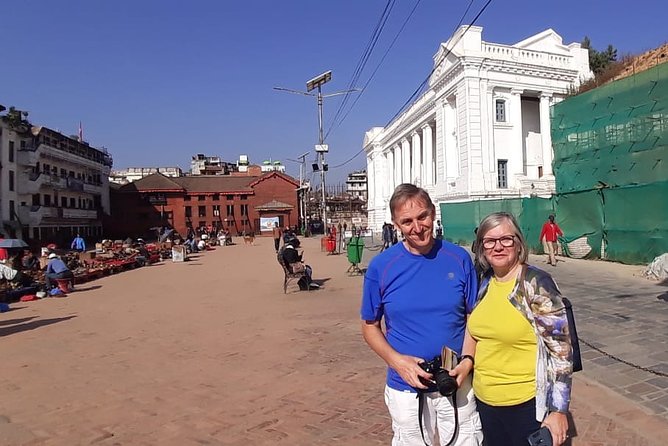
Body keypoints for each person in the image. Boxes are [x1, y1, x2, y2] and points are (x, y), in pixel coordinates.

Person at [360, 184, 483, 446]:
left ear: (433, 213)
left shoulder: (459, 258)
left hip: (456, 379)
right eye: (407, 221)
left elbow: (474, 316)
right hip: (406, 386)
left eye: (422, 217)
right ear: (396, 224)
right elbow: (369, 326)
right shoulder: (382, 267)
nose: (417, 227)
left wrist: (468, 361)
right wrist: (398, 363)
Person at [467, 212, 572, 446]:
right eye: (490, 241)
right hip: (486, 402)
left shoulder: (535, 282)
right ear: (482, 247)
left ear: (518, 243)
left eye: (506, 239)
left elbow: (561, 351)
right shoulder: (485, 282)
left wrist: (559, 410)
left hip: (526, 405)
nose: (498, 246)